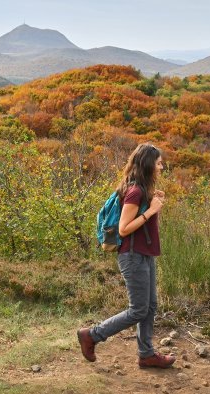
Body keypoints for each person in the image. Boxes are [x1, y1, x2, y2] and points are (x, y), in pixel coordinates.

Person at [77, 143, 175, 369]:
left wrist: (151, 202)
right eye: (159, 163)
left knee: (150, 306)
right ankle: (91, 335)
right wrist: (151, 210)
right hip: (132, 256)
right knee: (138, 309)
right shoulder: (135, 191)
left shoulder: (142, 190)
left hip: (144, 255)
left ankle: (146, 354)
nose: (161, 167)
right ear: (149, 165)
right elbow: (123, 229)